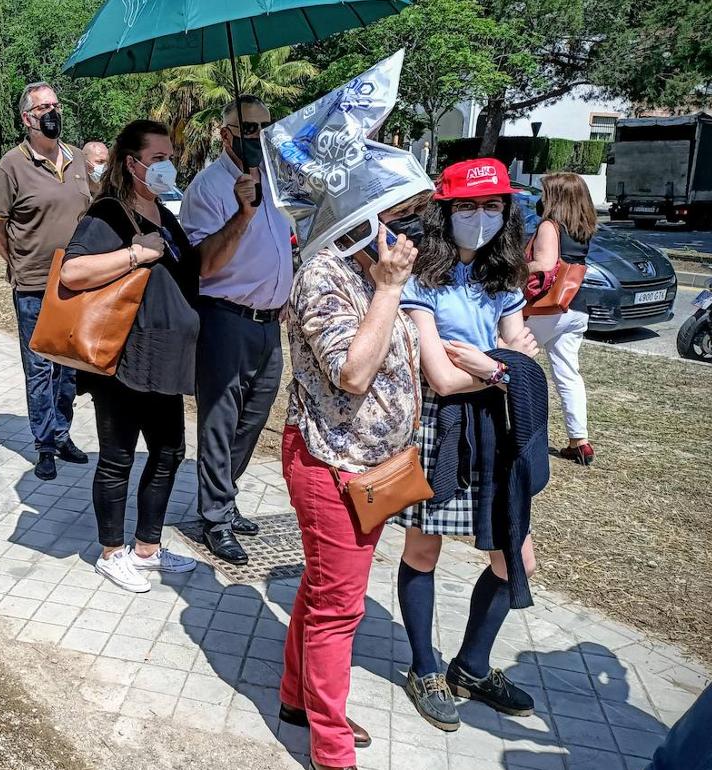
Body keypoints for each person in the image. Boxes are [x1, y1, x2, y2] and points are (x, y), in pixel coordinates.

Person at [265, 56, 435, 769]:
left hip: (376, 463)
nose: (404, 230)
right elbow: (353, 370)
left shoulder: (369, 270)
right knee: (341, 608)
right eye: (393, 216)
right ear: (360, 222)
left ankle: (296, 695)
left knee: (322, 587)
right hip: (332, 467)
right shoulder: (327, 276)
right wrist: (393, 288)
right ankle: (331, 749)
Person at [396, 158, 543, 734]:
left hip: (496, 425)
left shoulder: (503, 276)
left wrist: (492, 366)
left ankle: (472, 668)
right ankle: (424, 668)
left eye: (492, 206)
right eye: (467, 206)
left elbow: (520, 358)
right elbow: (442, 378)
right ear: (444, 211)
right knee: (423, 551)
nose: (480, 217)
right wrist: (504, 366)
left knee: (516, 559)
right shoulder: (421, 278)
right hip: (438, 427)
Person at [58, 119, 200, 592]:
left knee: (169, 451)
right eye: (158, 158)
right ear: (130, 162)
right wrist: (135, 255)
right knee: (118, 457)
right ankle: (111, 552)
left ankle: (148, 547)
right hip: (123, 356)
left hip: (166, 357)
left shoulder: (164, 212)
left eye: (169, 157)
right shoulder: (109, 214)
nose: (167, 166)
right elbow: (74, 271)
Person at [181, 95, 295, 566]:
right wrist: (242, 213)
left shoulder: (276, 180)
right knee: (220, 421)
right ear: (225, 134)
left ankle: (224, 497)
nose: (258, 138)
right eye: (248, 129)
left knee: (253, 420)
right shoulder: (208, 188)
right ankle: (216, 518)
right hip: (225, 318)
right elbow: (204, 264)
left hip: (270, 324)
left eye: (265, 129)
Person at [0, 81, 92, 480]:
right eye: (43, 107)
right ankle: (44, 443)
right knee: (39, 367)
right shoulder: (10, 166)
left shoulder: (79, 159)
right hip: (34, 284)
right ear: (26, 118)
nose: (52, 112)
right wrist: (16, 263)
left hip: (77, 282)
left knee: (69, 367)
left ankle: (62, 432)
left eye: (55, 105)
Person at [524, 172, 596, 465]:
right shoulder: (583, 228)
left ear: (555, 197)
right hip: (576, 307)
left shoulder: (550, 226)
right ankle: (580, 440)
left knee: (508, 356)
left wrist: (516, 266)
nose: (541, 198)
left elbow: (545, 264)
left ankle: (510, 426)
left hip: (547, 307)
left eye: (545, 193)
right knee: (568, 373)